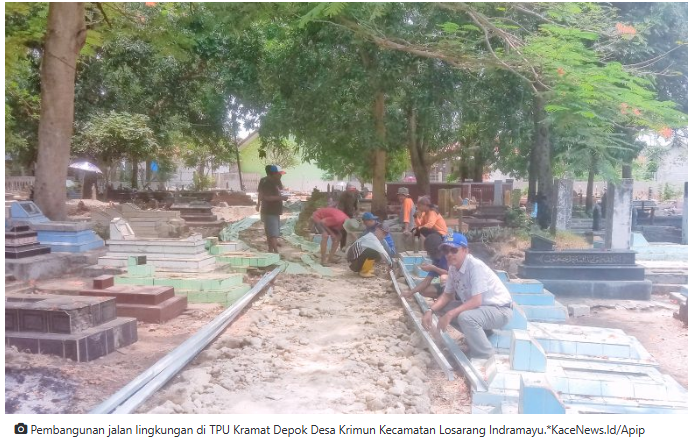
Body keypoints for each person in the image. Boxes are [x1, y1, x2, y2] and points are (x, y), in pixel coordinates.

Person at [421, 232, 512, 359]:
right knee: (442, 308)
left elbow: (476, 301)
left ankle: (484, 355)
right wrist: (430, 311)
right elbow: (446, 295)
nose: (449, 254)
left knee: (466, 317)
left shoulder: (475, 266)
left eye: (454, 250)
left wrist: (450, 314)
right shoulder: (453, 268)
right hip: (481, 310)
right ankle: (481, 335)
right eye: (446, 251)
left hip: (500, 310)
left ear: (465, 250)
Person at [402, 233, 448, 299]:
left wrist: (434, 268)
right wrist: (410, 293)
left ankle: (447, 299)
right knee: (422, 289)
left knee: (443, 278)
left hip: (455, 285)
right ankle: (443, 297)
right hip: (445, 284)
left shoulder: (448, 256)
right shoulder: (436, 259)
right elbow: (427, 281)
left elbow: (452, 274)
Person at [258, 165, 286, 253]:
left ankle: (270, 250)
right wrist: (281, 198)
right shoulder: (267, 183)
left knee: (270, 231)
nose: (280, 175)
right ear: (273, 173)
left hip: (274, 210)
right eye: (279, 173)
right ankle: (276, 252)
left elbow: (280, 190)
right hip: (270, 210)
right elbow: (267, 197)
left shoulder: (276, 181)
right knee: (273, 232)